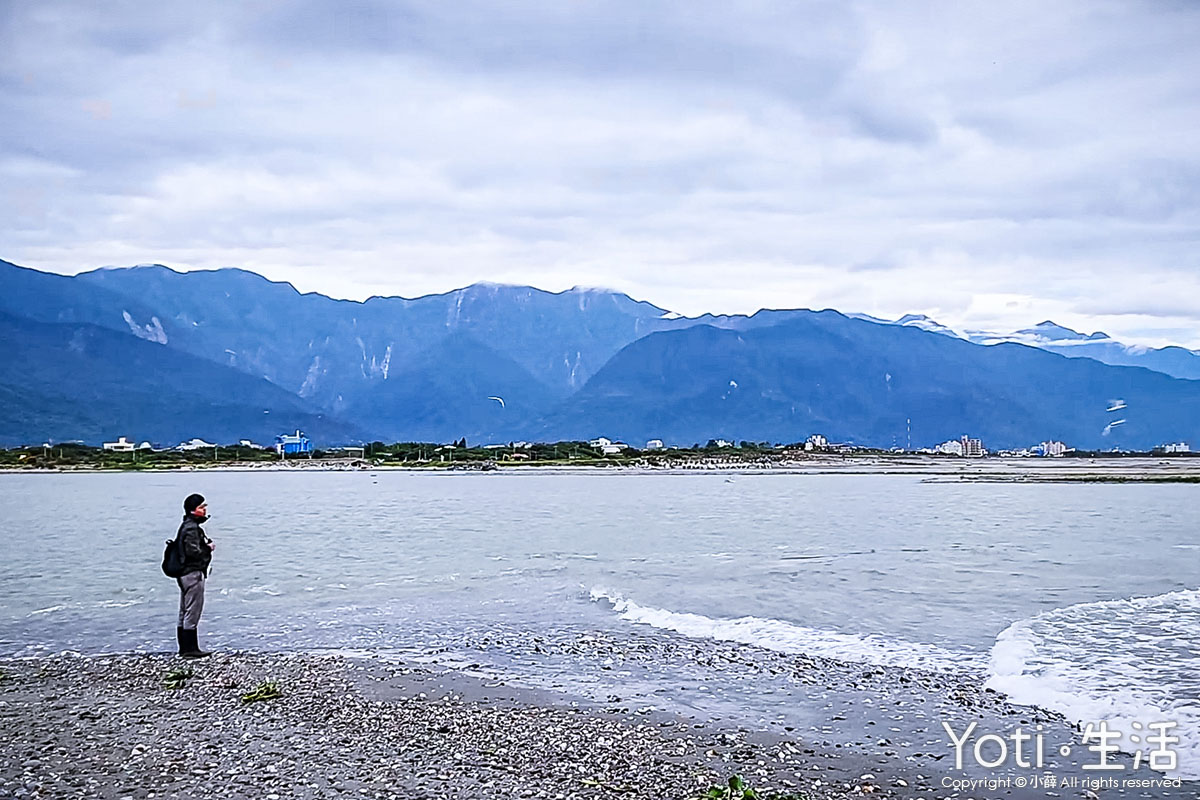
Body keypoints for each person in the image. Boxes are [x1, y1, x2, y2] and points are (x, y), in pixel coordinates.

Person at [176, 493, 215, 658]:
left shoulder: (186, 525)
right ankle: (190, 649)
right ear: (193, 510)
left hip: (183, 574)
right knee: (193, 610)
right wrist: (208, 548)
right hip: (192, 573)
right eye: (201, 507)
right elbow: (193, 552)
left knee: (184, 610)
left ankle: (184, 648)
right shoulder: (192, 528)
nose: (205, 510)